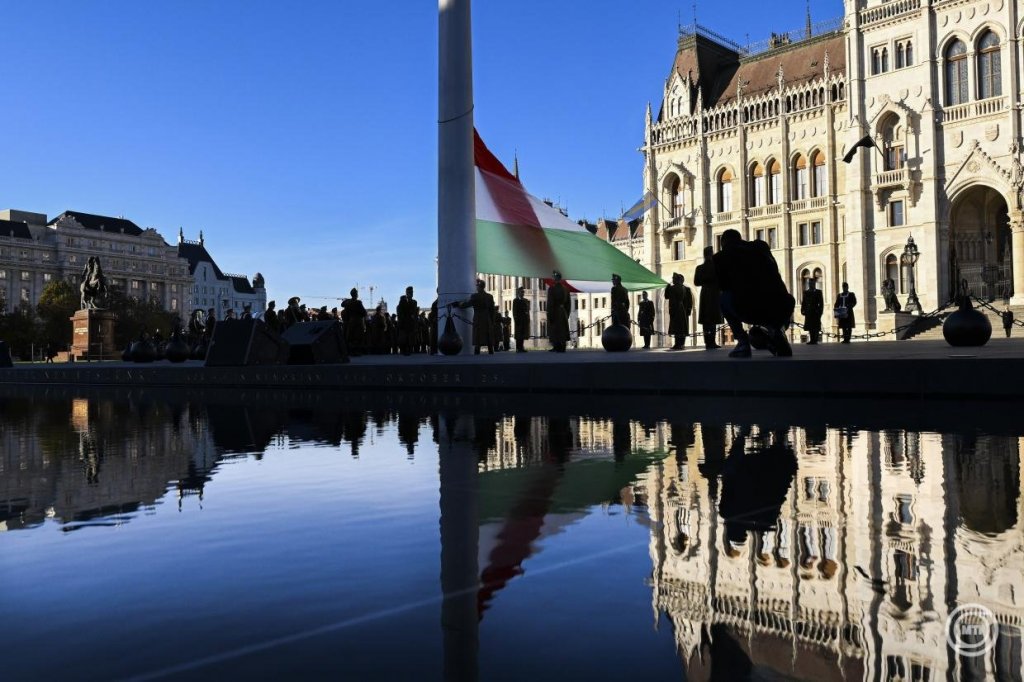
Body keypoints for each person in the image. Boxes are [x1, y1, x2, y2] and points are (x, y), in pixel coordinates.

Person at [713, 228, 795, 358]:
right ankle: (776, 330)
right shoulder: (761, 247)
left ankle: (742, 343)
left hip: (749, 307)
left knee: (724, 298)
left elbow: (720, 285)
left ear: (723, 243)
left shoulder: (721, 257)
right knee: (774, 299)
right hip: (782, 305)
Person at [693, 246, 722, 350]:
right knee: (712, 318)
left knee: (706, 319)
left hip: (705, 293)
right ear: (711, 254)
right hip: (714, 293)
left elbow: (696, 282)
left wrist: (704, 280)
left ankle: (708, 342)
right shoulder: (716, 267)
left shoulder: (700, 268)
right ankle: (712, 342)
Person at [457, 279, 496, 354]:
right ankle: (491, 352)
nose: (476, 287)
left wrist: (459, 304)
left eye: (477, 286)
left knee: (478, 338)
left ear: (479, 287)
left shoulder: (475, 296)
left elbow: (467, 304)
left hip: (478, 318)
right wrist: (492, 321)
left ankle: (477, 354)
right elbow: (492, 310)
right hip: (487, 319)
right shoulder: (489, 296)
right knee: (488, 338)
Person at [664, 272, 693, 350]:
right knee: (678, 327)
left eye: (674, 278)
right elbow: (667, 296)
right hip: (677, 310)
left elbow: (690, 300)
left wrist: (689, 309)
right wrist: (667, 287)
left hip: (683, 310)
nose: (672, 280)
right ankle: (678, 344)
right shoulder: (673, 288)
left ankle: (681, 344)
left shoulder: (685, 289)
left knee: (681, 328)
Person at [547, 271, 571, 352]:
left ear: (555, 278)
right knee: (563, 329)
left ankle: (557, 346)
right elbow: (568, 304)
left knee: (555, 329)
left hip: (555, 311)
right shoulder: (566, 289)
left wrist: (549, 314)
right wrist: (566, 314)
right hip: (563, 311)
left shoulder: (552, 288)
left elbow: (550, 303)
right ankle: (562, 346)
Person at [341, 288, 368, 356]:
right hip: (358, 321)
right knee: (358, 336)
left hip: (351, 321)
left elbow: (344, 308)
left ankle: (351, 351)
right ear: (356, 294)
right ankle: (356, 352)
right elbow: (364, 312)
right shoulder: (358, 302)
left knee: (351, 337)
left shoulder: (348, 303)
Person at [801, 278, 825, 345]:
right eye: (810, 283)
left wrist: (820, 311)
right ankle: (812, 340)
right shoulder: (806, 292)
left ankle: (815, 340)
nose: (811, 285)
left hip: (816, 312)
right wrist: (802, 310)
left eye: (812, 283)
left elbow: (821, 303)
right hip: (808, 311)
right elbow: (804, 302)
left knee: (816, 326)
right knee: (810, 326)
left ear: (814, 284)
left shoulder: (818, 292)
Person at [396, 287, 418, 356]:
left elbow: (414, 312)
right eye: (409, 292)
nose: (411, 294)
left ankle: (409, 350)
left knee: (410, 337)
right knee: (403, 338)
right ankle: (404, 350)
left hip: (410, 323)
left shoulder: (414, 302)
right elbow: (400, 312)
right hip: (403, 323)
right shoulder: (402, 301)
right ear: (406, 293)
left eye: (412, 292)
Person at [513, 286, 530, 352]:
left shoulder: (525, 300)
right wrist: (516, 319)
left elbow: (527, 310)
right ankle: (518, 348)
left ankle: (521, 347)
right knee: (518, 334)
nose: (523, 293)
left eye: (523, 292)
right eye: (521, 292)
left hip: (524, 319)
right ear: (518, 293)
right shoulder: (516, 300)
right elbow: (514, 311)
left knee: (523, 334)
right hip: (519, 319)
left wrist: (528, 318)